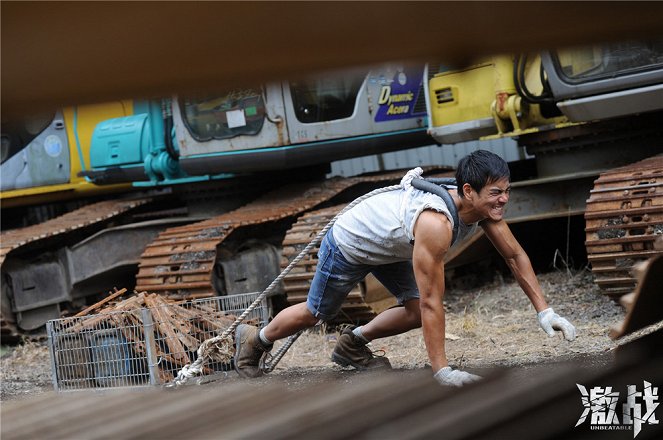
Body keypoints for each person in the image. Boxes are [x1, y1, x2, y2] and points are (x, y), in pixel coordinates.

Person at [234, 150, 576, 386]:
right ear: (468, 191)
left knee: (412, 312)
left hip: (391, 246)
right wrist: (442, 371)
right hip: (352, 242)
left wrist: (545, 312)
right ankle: (256, 340)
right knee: (316, 312)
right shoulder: (436, 224)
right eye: (496, 193)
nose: (504, 199)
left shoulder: (484, 211)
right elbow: (433, 302)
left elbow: (515, 257)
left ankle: (352, 344)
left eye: (507, 191)